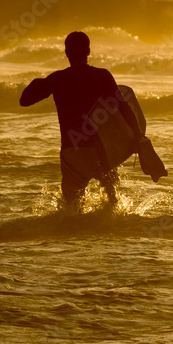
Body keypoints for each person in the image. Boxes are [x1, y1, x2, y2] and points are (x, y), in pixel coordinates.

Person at [19, 31, 142, 211]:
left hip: (73, 151)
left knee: (71, 209)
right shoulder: (102, 76)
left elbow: (25, 100)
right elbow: (124, 108)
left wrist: (41, 81)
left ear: (67, 53)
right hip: (101, 149)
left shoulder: (58, 79)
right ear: (88, 51)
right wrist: (139, 137)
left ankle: (74, 237)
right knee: (113, 204)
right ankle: (112, 235)